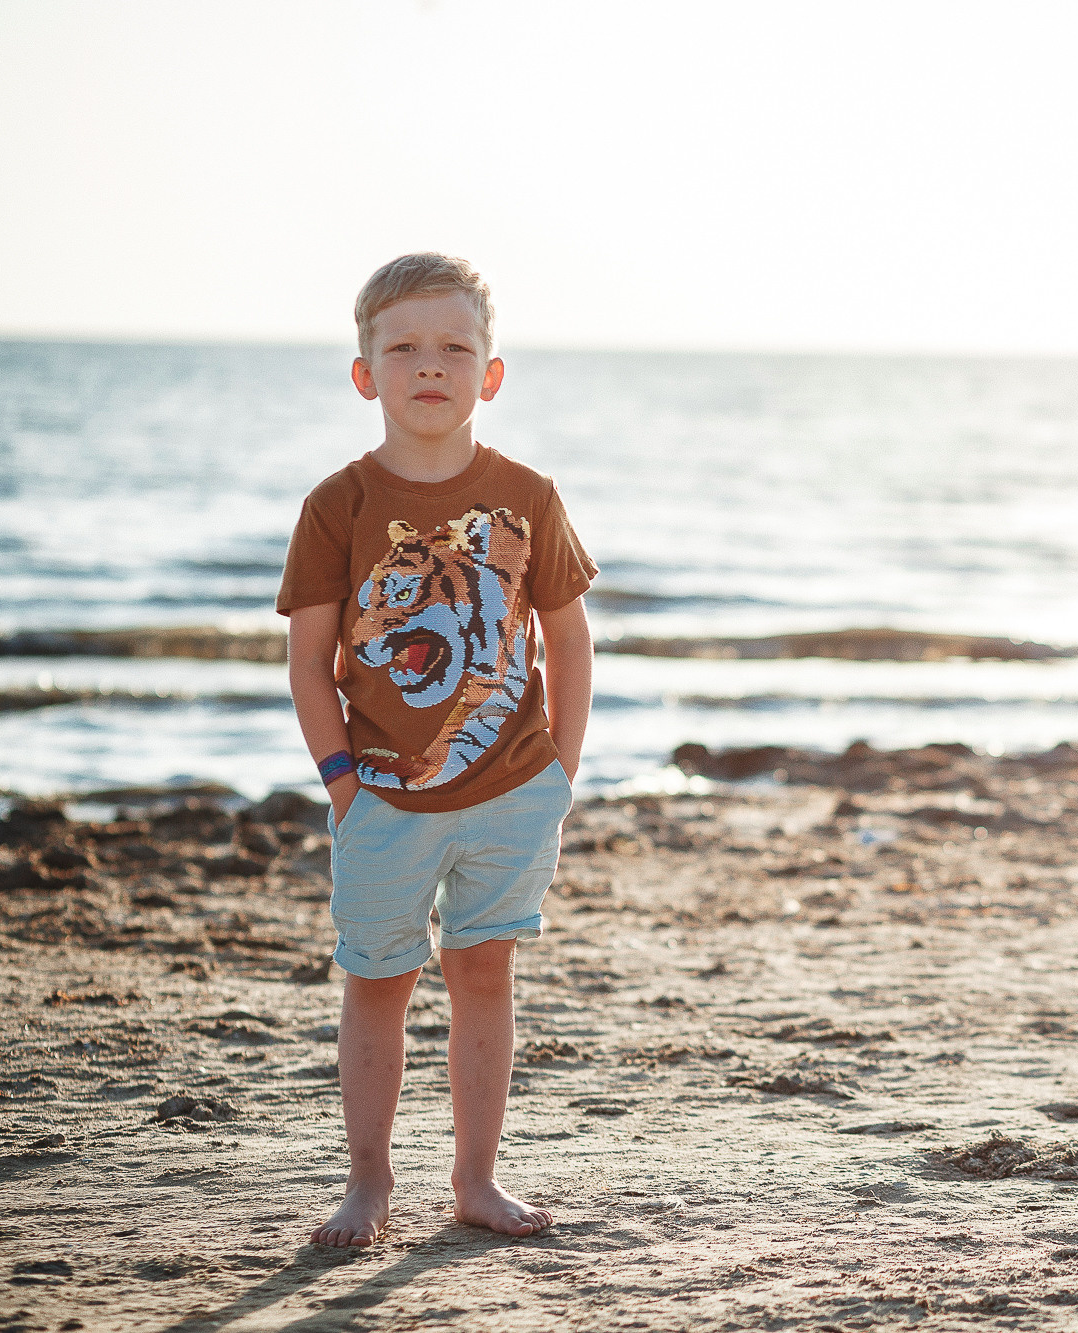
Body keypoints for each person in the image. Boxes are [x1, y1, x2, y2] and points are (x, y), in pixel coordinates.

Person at [276, 253, 597, 1248]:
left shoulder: (527, 493)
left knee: (484, 974)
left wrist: (559, 773)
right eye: (404, 346)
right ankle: (368, 1181)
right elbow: (310, 663)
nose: (431, 365)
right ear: (365, 371)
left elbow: (570, 638)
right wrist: (342, 787)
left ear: (488, 374)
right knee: (376, 980)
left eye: (455, 346)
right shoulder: (338, 503)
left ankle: (475, 1180)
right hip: (379, 802)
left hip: (512, 793)